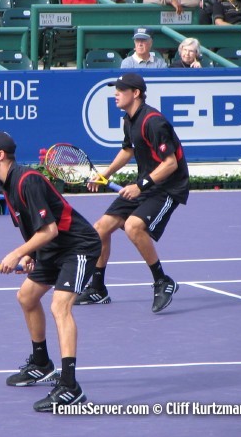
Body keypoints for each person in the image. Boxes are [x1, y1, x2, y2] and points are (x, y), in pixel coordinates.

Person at [0, 131, 102, 412]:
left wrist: (17, 252)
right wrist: (30, 254)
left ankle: (70, 386)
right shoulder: (8, 186)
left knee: (60, 306)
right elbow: (38, 232)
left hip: (77, 247)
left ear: (0, 155)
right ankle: (41, 363)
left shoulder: (28, 181)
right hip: (53, 249)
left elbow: (50, 229)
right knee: (27, 297)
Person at [74, 73, 189, 313]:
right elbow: (127, 151)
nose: (115, 93)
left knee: (133, 227)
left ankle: (162, 281)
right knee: (100, 229)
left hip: (167, 186)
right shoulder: (129, 120)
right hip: (146, 184)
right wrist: (106, 174)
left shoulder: (154, 122)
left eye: (120, 89)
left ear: (135, 93)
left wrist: (141, 185)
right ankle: (98, 289)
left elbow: (170, 164)